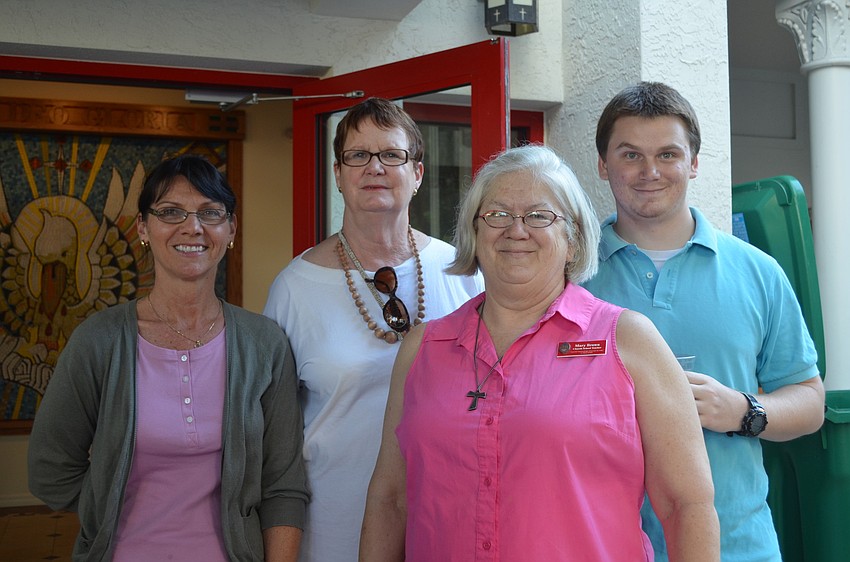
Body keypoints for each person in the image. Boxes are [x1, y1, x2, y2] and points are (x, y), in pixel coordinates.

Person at [359, 144, 719, 561]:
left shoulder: (628, 341)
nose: (516, 230)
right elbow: (390, 502)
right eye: (497, 214)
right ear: (474, 234)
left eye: (539, 215)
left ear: (572, 238)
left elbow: (685, 506)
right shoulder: (421, 349)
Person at [583, 81, 826, 562]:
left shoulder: (757, 271)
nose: (650, 171)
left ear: (693, 163)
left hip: (739, 548)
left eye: (668, 154)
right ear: (602, 164)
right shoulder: (571, 278)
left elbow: (811, 403)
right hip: (600, 547)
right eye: (630, 154)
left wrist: (742, 411)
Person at [28, 154, 309, 562]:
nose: (192, 227)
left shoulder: (264, 343)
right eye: (171, 212)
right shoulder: (99, 341)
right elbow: (49, 471)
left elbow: (283, 486)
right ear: (144, 226)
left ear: (230, 229)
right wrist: (108, 504)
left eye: (210, 213)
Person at [263, 97, 484, 562]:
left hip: (450, 518)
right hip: (333, 524)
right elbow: (273, 437)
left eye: (392, 155)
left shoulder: (463, 271)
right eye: (358, 155)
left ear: (418, 173)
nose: (374, 168)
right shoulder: (295, 287)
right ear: (338, 175)